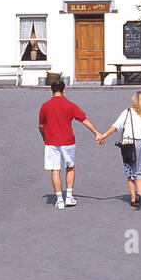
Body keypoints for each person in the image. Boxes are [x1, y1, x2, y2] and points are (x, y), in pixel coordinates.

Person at [38, 77, 102, 209]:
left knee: (55, 169)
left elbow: (41, 125)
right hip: (68, 141)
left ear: (51, 91)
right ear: (64, 90)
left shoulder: (45, 106)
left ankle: (59, 200)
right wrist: (96, 133)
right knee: (70, 167)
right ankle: (69, 196)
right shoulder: (70, 105)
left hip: (51, 141)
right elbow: (84, 120)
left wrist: (44, 137)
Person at [96, 90, 141, 208]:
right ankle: (139, 193)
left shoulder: (127, 112)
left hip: (128, 144)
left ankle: (133, 199)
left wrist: (103, 136)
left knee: (129, 172)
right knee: (140, 172)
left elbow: (115, 126)